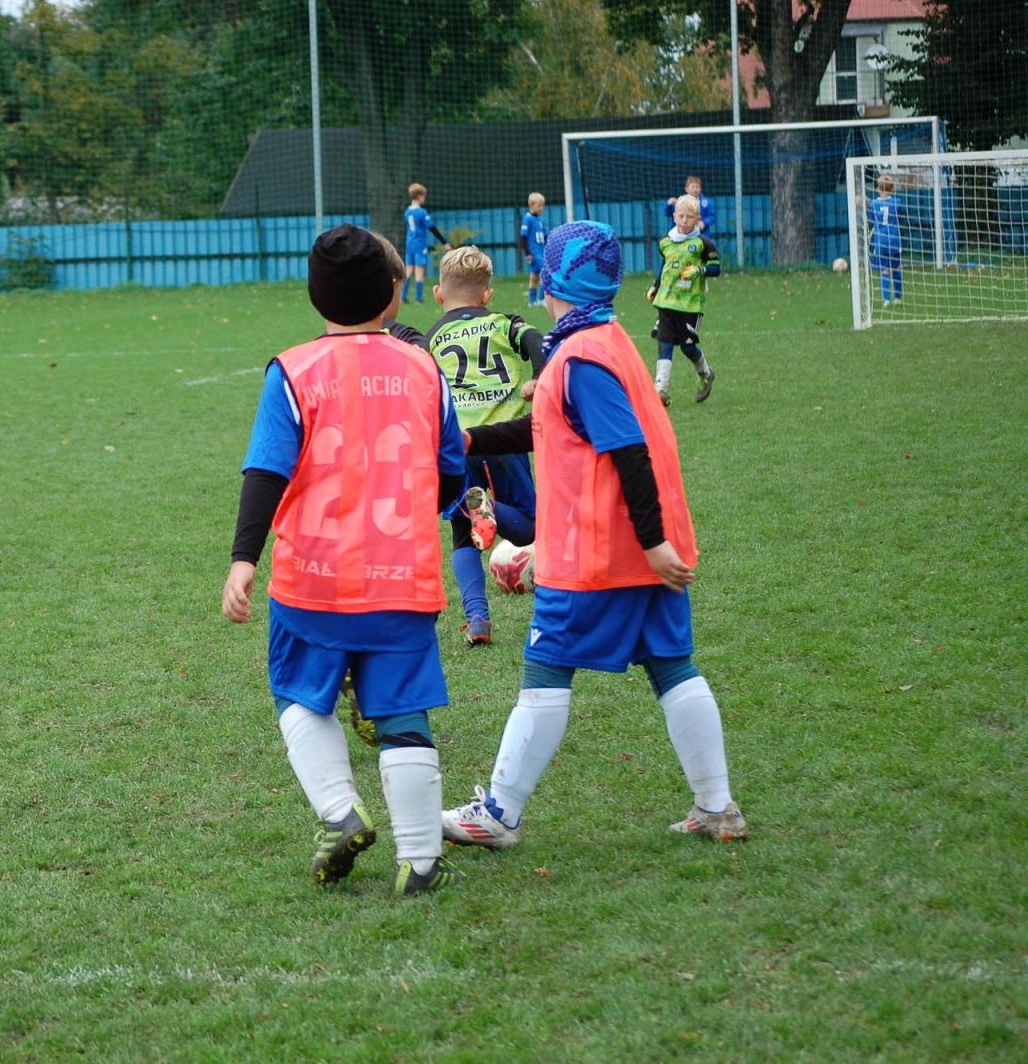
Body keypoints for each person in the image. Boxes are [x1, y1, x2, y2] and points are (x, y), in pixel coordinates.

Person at [441, 219, 747, 853]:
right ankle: (716, 806)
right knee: (673, 667)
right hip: (637, 549)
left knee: (545, 671)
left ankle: (498, 814)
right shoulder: (602, 340)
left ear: (553, 278)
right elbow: (552, 427)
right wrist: (470, 440)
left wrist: (652, 538)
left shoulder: (579, 357)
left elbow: (626, 449)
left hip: (600, 551)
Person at [222, 223, 467, 896]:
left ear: (314, 295)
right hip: (402, 577)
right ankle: (418, 863)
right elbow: (450, 472)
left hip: (313, 580)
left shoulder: (294, 370)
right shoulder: (425, 368)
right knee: (404, 711)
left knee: (300, 695)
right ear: (392, 294)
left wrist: (245, 558)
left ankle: (339, 811)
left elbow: (265, 471)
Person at [424, 245, 543, 647]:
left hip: (458, 444)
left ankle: (478, 620)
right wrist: (540, 380)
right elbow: (537, 340)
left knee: (462, 532)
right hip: (506, 438)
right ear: (487, 294)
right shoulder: (504, 323)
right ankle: (488, 507)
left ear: (439, 294)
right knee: (528, 527)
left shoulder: (433, 338)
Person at [647, 194, 720, 406]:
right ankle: (661, 388)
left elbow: (716, 269)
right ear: (674, 216)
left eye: (689, 217)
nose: (684, 221)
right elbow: (665, 267)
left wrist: (700, 270)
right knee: (665, 342)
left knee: (688, 348)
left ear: (697, 218)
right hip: (667, 301)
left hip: (690, 305)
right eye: (680, 216)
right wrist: (655, 286)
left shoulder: (703, 244)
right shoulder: (666, 242)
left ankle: (706, 374)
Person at [401, 183, 448, 305]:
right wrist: (444, 242)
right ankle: (418, 298)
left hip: (409, 243)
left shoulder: (407, 212)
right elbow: (431, 227)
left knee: (408, 269)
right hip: (419, 244)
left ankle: (402, 296)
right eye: (424, 195)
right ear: (419, 196)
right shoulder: (421, 212)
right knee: (419, 270)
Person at [868, 173, 903, 307]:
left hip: (881, 242)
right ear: (892, 189)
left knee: (884, 270)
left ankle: (886, 299)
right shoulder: (897, 202)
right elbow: (900, 217)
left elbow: (872, 220)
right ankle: (898, 297)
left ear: (877, 188)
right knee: (897, 268)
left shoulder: (874, 204)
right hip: (894, 240)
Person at [518, 193, 548, 307]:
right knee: (544, 272)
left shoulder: (540, 220)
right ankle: (541, 299)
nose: (541, 208)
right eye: (539, 205)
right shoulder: (527, 219)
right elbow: (523, 237)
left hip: (541, 251)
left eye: (543, 205)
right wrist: (527, 253)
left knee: (535, 275)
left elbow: (545, 236)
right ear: (531, 205)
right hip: (534, 253)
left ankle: (532, 301)